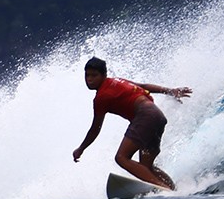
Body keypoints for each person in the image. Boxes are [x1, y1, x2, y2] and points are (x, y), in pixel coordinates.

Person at [72, 57, 192, 190]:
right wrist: (170, 91)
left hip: (146, 117)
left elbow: (95, 128)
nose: (89, 79)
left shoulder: (101, 97)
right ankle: (173, 189)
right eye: (87, 75)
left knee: (121, 158)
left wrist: (81, 148)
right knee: (146, 166)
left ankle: (164, 189)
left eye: (94, 75)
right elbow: (144, 86)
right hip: (157, 117)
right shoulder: (117, 81)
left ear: (104, 75)